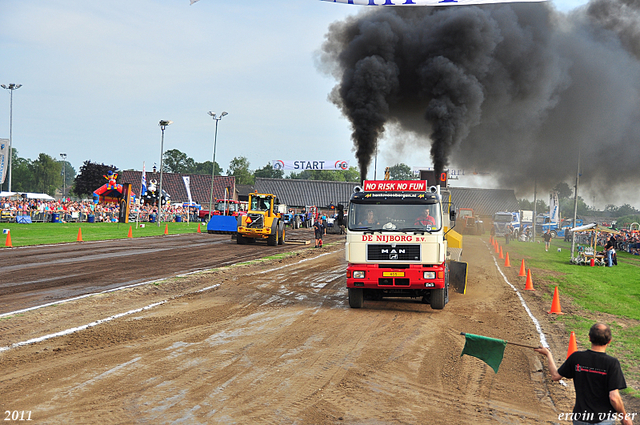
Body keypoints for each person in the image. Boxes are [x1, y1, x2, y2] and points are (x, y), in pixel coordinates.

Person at [534, 323, 633, 425]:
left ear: (589, 338)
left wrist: (548, 354)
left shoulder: (576, 357)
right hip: (603, 420)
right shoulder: (612, 363)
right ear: (609, 341)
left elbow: (555, 376)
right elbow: (614, 397)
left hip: (580, 418)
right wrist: (624, 416)